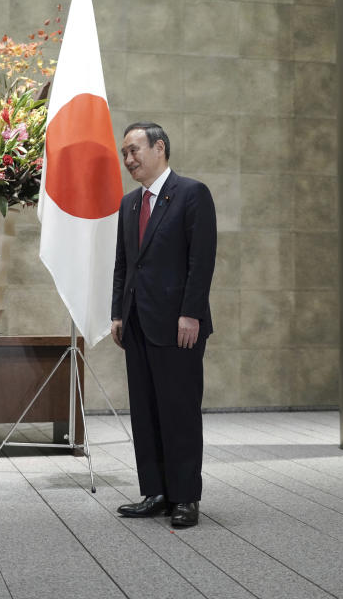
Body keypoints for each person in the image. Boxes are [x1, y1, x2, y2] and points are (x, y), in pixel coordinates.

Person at [110, 122, 217, 528]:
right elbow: (124, 263)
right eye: (124, 154)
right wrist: (118, 313)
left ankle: (185, 497)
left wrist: (191, 313)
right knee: (146, 411)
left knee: (179, 411)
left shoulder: (192, 194)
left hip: (178, 326)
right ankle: (155, 491)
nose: (129, 159)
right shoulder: (129, 204)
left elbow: (200, 261)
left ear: (160, 148)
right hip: (137, 324)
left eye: (134, 150)